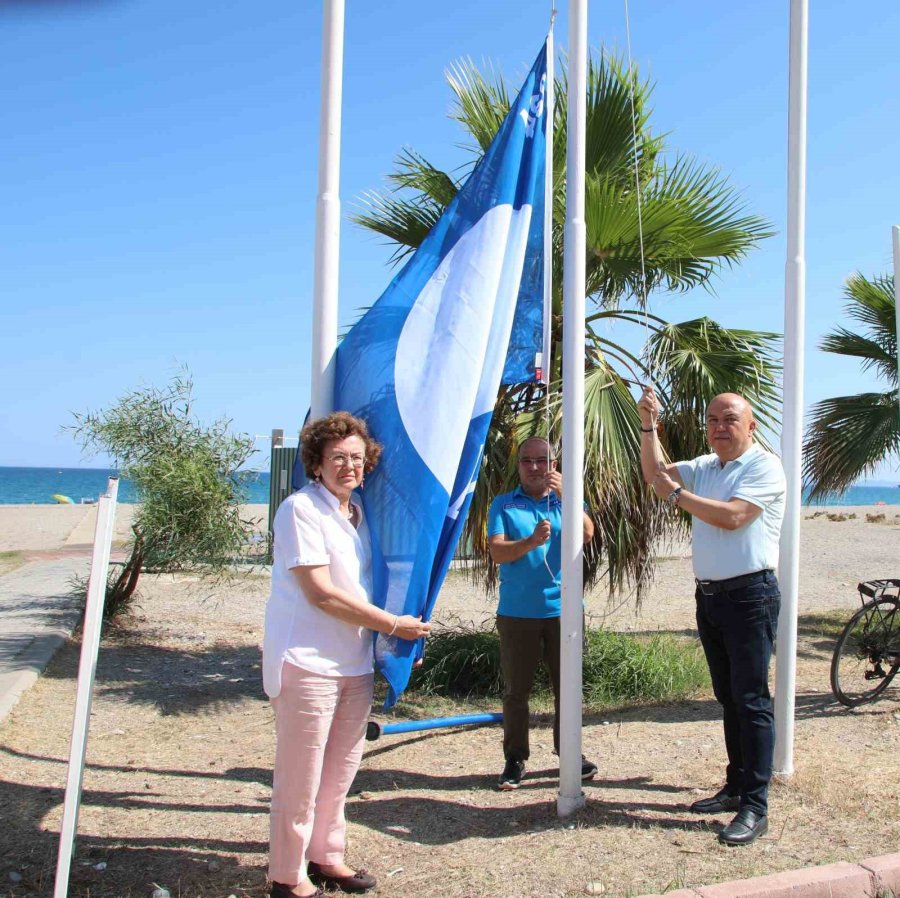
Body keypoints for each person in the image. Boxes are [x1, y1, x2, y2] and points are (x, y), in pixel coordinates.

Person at [263, 411, 431, 897]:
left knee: (340, 772)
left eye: (357, 458)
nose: (349, 466)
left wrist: (397, 643)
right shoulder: (300, 510)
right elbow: (322, 594)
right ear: (315, 464)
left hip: (353, 663)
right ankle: (286, 875)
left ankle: (326, 856)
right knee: (301, 776)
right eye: (337, 458)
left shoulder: (357, 514)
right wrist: (394, 626)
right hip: (307, 662)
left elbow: (371, 586)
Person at [638, 388, 786, 846]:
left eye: (730, 419)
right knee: (728, 696)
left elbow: (734, 517)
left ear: (751, 426)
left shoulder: (763, 465)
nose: (720, 427)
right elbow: (656, 475)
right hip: (712, 597)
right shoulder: (708, 466)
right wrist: (648, 426)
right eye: (713, 420)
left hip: (750, 596)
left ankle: (755, 806)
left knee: (751, 699)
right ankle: (737, 783)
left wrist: (677, 494)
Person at [487, 436, 598, 790]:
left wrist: (567, 494)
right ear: (518, 466)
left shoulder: (567, 499)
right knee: (516, 691)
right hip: (518, 612)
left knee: (567, 687)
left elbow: (588, 533)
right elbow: (497, 553)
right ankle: (515, 757)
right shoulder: (504, 505)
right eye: (527, 461)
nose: (535, 468)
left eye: (542, 461)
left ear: (553, 464)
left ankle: (569, 752)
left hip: (563, 611)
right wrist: (530, 542)